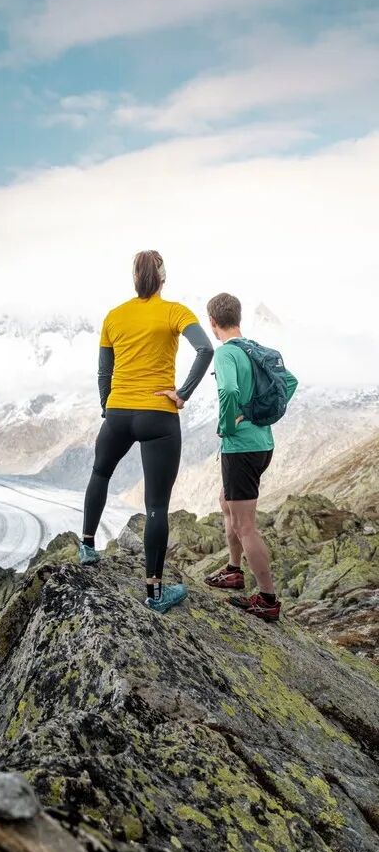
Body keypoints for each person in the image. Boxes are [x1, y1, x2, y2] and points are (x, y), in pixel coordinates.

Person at [79, 250, 214, 614]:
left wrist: (108, 406)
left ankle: (87, 547)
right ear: (163, 277)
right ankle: (155, 594)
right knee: (156, 505)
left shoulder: (114, 316)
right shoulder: (175, 312)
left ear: (134, 277)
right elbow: (205, 349)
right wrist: (182, 394)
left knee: (100, 473)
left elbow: (103, 372)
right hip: (158, 415)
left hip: (118, 413)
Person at [203, 293, 298, 620]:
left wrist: (229, 425)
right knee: (226, 500)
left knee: (245, 525)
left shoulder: (226, 353)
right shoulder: (254, 350)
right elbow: (290, 382)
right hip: (262, 443)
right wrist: (258, 414)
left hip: (241, 447)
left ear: (212, 322)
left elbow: (229, 390)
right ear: (238, 317)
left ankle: (268, 599)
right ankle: (233, 570)